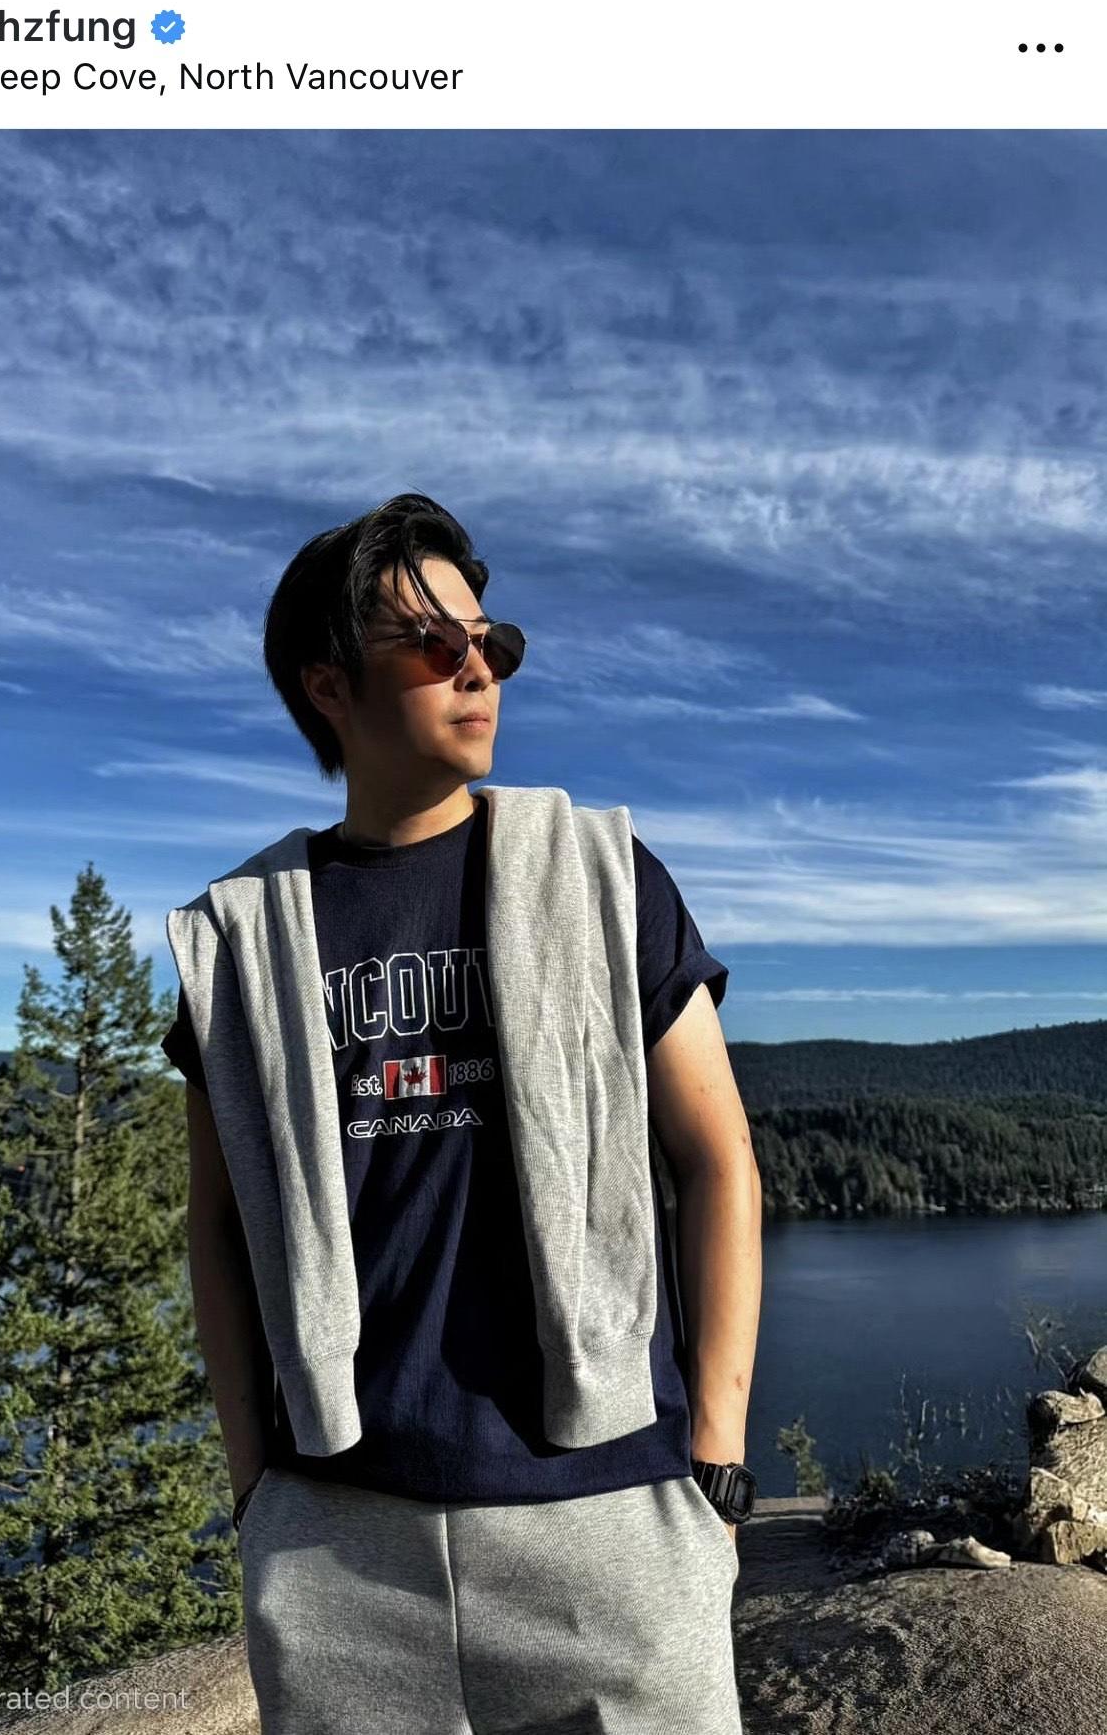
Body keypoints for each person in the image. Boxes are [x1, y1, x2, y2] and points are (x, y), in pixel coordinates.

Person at [161, 492, 762, 1733]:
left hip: (608, 1519)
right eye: (436, 643)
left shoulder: (603, 876)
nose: (478, 668)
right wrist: (257, 1489)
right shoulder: (244, 938)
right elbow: (215, 1227)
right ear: (329, 685)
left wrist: (714, 1455)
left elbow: (718, 1159)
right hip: (338, 1544)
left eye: (493, 642)